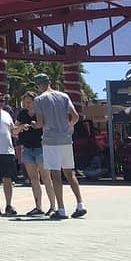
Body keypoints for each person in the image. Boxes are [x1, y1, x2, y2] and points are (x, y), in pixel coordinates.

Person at [31, 73, 87, 219]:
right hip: (66, 139)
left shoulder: (39, 99)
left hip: (51, 140)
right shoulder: (64, 96)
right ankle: (80, 204)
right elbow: (75, 116)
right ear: (49, 81)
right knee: (70, 173)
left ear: (38, 85)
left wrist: (33, 125)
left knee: (56, 175)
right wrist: (68, 127)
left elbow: (40, 123)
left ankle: (61, 209)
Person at [15, 92, 53, 215]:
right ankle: (38, 207)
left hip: (41, 148)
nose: (27, 105)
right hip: (27, 149)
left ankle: (53, 206)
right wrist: (21, 127)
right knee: (34, 179)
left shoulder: (41, 113)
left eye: (29, 102)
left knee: (46, 177)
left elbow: (47, 127)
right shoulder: (22, 114)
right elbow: (14, 131)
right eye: (25, 102)